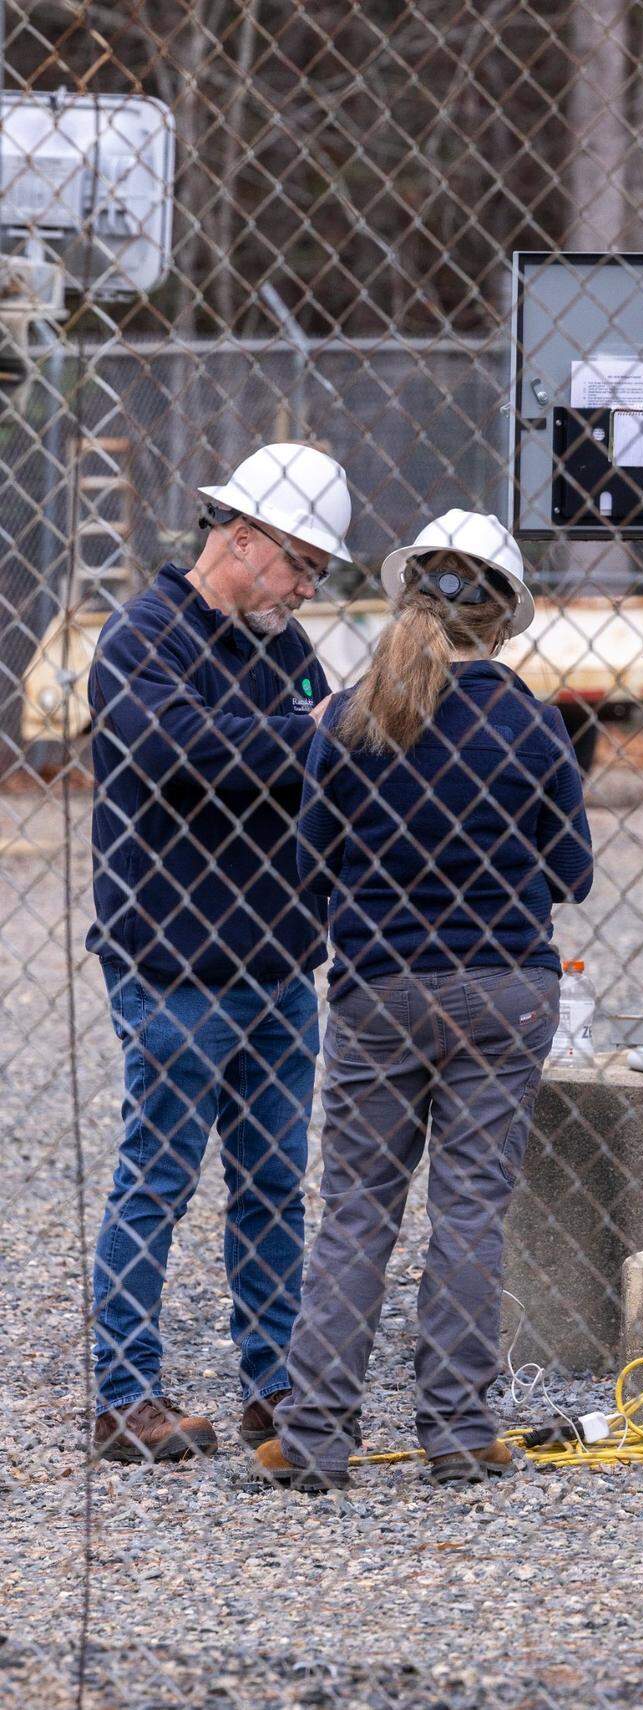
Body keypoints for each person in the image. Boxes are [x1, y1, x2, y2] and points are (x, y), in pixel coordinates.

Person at [254, 508, 593, 1491]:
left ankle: (314, 1436)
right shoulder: (531, 723)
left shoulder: (357, 716)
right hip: (504, 988)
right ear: (504, 619)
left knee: (357, 1210)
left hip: (380, 989)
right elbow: (570, 872)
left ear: (409, 599)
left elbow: (310, 858)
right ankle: (456, 1430)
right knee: (471, 1212)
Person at [88, 442, 353, 1463]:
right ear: (241, 540)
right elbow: (178, 754)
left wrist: (302, 736)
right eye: (298, 565)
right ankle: (125, 1395)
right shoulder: (141, 638)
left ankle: (273, 1384)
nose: (304, 588)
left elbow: (304, 759)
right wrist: (305, 735)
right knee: (156, 1179)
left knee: (274, 1184)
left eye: (318, 575)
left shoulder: (282, 648)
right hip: (171, 963)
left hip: (278, 963)